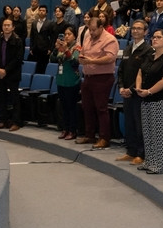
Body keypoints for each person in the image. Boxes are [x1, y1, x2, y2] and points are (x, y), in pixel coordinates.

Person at [135, 28, 163, 174]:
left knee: (159, 134)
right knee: (147, 132)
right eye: (153, 37)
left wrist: (149, 91)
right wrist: (139, 88)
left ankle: (158, 165)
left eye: (158, 37)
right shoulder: (150, 56)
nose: (155, 39)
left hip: (162, 100)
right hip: (146, 98)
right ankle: (149, 161)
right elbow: (140, 72)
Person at [76, 16, 118, 149]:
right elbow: (82, 52)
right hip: (88, 76)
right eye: (89, 29)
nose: (91, 32)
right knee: (87, 107)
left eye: (94, 30)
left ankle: (104, 137)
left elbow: (110, 58)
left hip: (103, 78)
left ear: (101, 27)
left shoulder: (110, 39)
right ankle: (89, 135)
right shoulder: (88, 37)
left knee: (101, 108)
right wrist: (81, 58)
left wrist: (91, 61)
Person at [116, 19, 152, 164]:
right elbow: (121, 71)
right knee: (129, 122)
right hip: (126, 92)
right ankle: (130, 151)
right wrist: (121, 87)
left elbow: (144, 74)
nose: (135, 31)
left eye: (139, 28)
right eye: (134, 28)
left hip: (138, 93)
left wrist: (131, 89)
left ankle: (141, 153)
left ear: (145, 31)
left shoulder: (148, 50)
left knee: (139, 124)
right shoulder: (127, 48)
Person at [0, 18, 24, 131]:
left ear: (13, 27)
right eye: (4, 25)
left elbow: (18, 59)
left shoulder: (18, 41)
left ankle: (16, 122)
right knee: (2, 98)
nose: (6, 27)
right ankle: (2, 120)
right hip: (0, 74)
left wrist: (6, 70)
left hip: (12, 74)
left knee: (15, 98)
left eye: (8, 25)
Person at [50, 26, 82, 140]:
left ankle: (72, 130)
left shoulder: (77, 48)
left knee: (71, 107)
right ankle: (65, 128)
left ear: (74, 36)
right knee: (63, 107)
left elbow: (75, 62)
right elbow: (52, 59)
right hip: (61, 80)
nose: (67, 36)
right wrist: (56, 48)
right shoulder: (61, 47)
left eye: (69, 34)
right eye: (65, 34)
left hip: (72, 81)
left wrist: (66, 50)